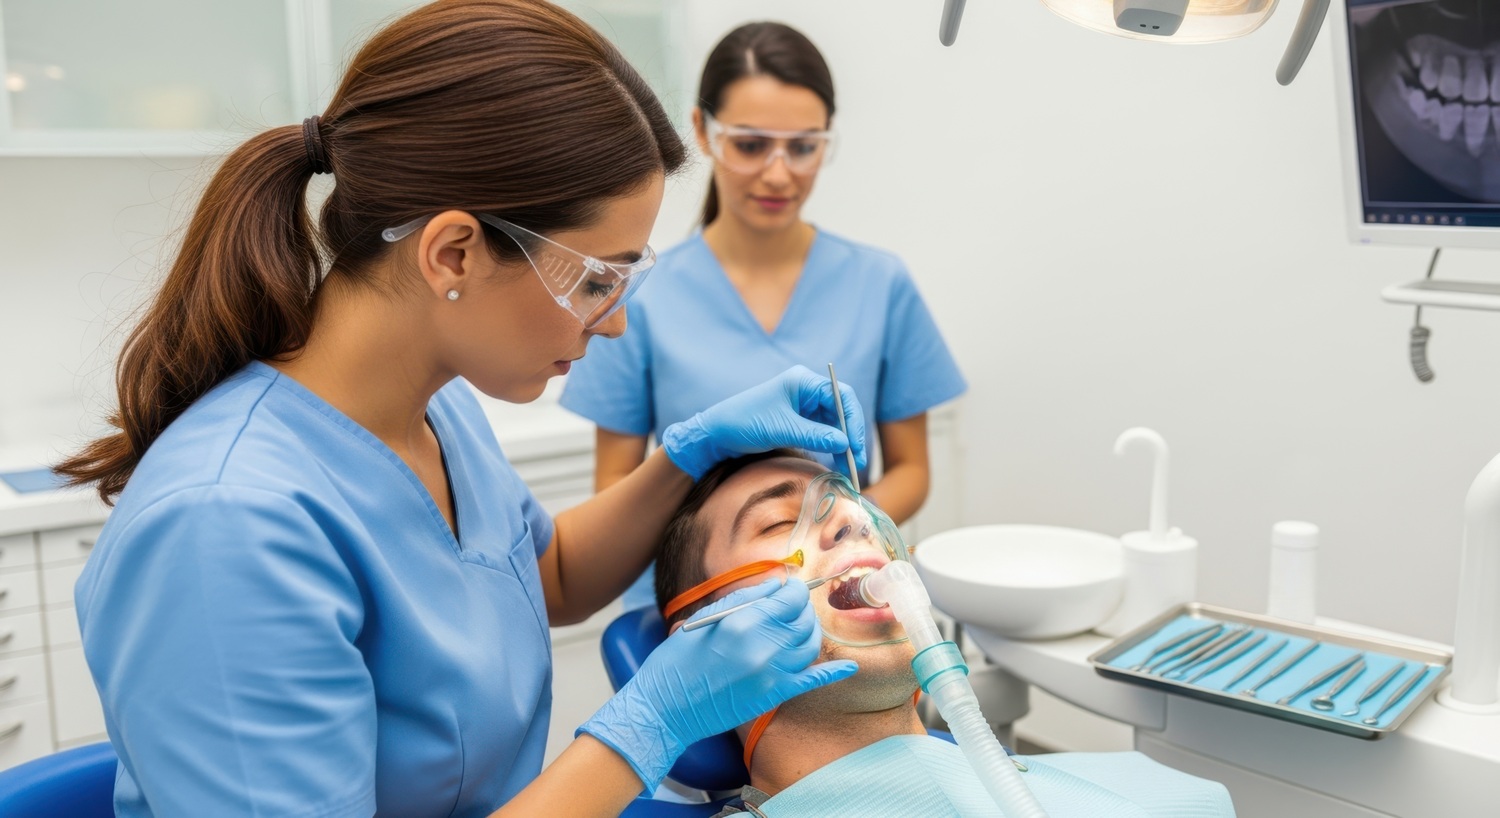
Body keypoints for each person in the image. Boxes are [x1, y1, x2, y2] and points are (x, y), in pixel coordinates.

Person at [55, 2, 869, 816]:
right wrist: (650, 724)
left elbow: (543, 579)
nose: (615, 320)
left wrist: (690, 454)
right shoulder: (225, 528)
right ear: (453, 252)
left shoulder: (434, 412)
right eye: (596, 280)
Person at [561, 21, 967, 610]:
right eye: (751, 145)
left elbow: (911, 469)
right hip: (703, 601)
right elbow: (615, 491)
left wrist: (830, 543)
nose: (779, 174)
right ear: (702, 131)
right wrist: (748, 565)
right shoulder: (640, 294)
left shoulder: (879, 283)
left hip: (844, 590)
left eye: (803, 147)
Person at [652, 452, 1239, 817]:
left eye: (856, 511)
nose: (853, 525)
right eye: (780, 522)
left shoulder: (1156, 793)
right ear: (701, 637)